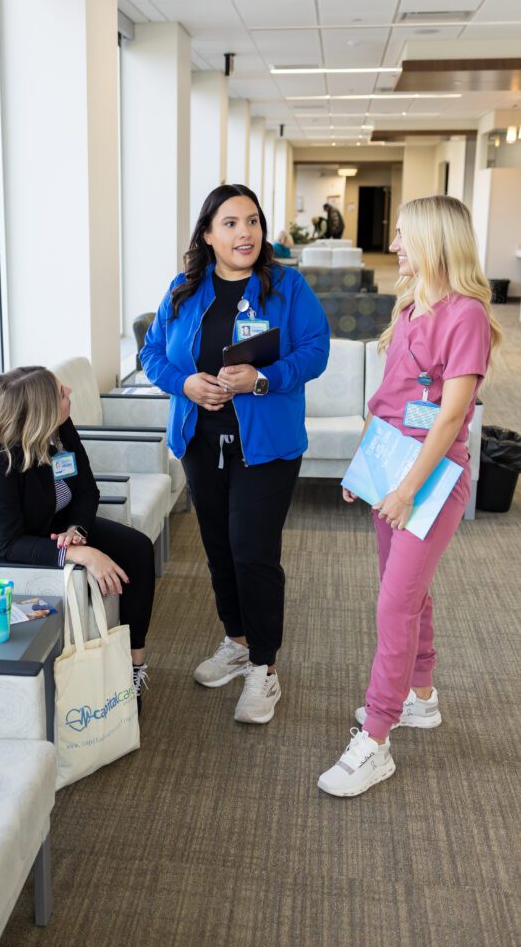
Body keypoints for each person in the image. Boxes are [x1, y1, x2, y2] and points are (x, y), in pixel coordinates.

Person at [318, 195, 503, 797]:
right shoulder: (411, 305)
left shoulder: (466, 314)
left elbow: (449, 418)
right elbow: (392, 401)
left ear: (433, 240)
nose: (393, 244)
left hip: (430, 480)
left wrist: (404, 490)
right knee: (406, 593)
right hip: (392, 464)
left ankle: (376, 738)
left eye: (403, 235)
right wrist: (365, 469)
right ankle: (420, 694)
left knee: (395, 604)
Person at [141, 184, 330, 725]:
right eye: (229, 223)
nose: (244, 232)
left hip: (265, 446)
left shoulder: (286, 286)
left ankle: (264, 669)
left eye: (252, 221)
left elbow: (316, 350)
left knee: (253, 552)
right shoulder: (184, 289)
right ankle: (237, 641)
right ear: (207, 234)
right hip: (202, 440)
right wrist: (184, 385)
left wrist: (263, 380)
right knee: (219, 550)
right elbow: (151, 352)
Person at [0, 366, 156, 708]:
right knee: (97, 558)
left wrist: (76, 531)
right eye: (61, 393)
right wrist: (79, 554)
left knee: (137, 549)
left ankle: (133, 664)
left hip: (57, 528)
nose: (69, 391)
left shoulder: (59, 429)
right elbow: (7, 542)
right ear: (40, 411)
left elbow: (87, 491)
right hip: (6, 552)